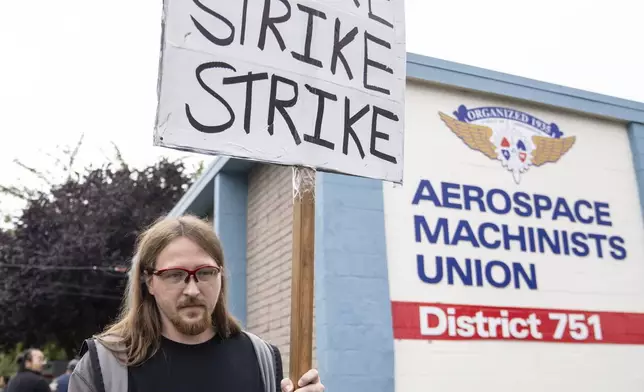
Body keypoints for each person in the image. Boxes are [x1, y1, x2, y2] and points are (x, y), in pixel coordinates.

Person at [69, 215, 324, 392]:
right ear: (149, 282)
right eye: (175, 275)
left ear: (220, 275)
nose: (192, 289)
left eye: (205, 273)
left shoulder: (263, 359)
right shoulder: (104, 366)